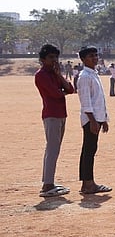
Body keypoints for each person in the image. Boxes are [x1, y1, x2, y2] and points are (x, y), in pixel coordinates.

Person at [35, 44, 75, 197]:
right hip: (51, 115)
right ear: (43, 59)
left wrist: (59, 76)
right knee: (52, 149)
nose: (54, 60)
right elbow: (56, 93)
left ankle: (48, 181)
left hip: (60, 114)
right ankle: (48, 184)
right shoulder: (41, 75)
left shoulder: (54, 73)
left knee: (53, 148)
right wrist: (62, 90)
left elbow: (70, 89)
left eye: (56, 57)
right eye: (51, 57)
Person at [75, 46, 112, 195]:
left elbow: (98, 99)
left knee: (90, 149)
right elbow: (86, 101)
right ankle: (88, 183)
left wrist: (103, 119)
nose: (95, 58)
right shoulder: (84, 76)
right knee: (89, 150)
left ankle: (87, 182)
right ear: (83, 59)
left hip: (96, 117)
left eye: (96, 55)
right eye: (91, 56)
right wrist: (93, 121)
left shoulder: (93, 74)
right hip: (90, 119)